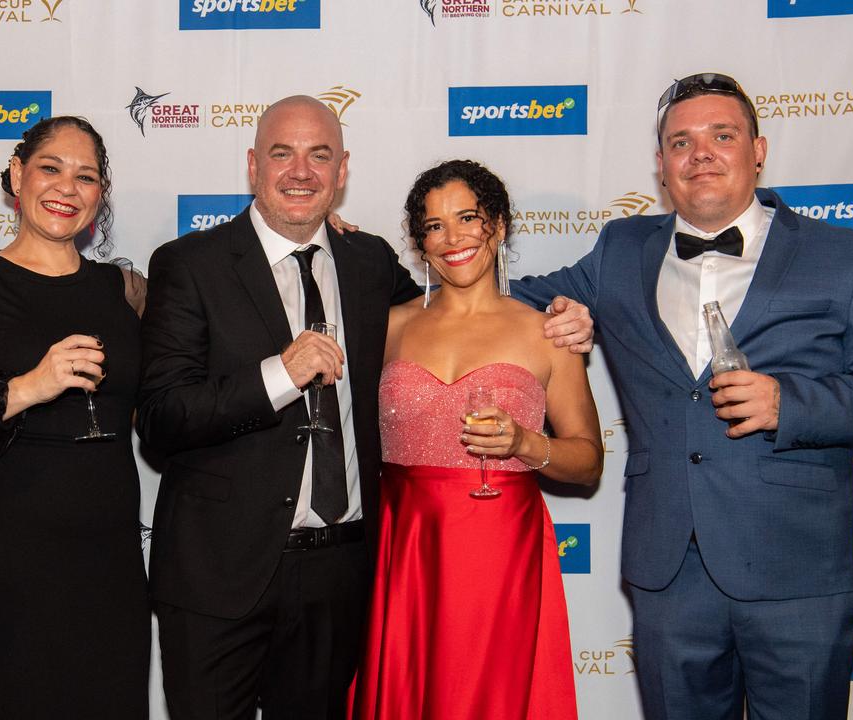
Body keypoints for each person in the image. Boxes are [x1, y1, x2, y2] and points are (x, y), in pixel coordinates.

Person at [136, 96, 593, 719]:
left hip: (347, 572)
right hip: (222, 573)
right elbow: (160, 420)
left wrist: (567, 315)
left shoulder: (367, 262)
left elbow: (467, 301)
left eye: (319, 155)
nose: (301, 171)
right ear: (252, 165)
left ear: (342, 171)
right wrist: (279, 374)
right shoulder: (190, 265)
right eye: (282, 153)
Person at [511, 72, 853, 719]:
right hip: (670, 574)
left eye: (722, 135)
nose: (702, 154)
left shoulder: (845, 256)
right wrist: (367, 269)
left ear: (758, 148)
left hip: (797, 574)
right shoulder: (620, 250)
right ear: (661, 165)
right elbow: (496, 306)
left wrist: (789, 404)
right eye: (681, 143)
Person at [0, 115, 149, 718]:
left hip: (110, 568)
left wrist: (317, 235)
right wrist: (28, 387)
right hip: (7, 570)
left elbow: (214, 309)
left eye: (86, 177)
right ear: (17, 175)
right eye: (51, 168)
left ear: (100, 195)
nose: (67, 187)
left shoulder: (128, 291)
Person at [350, 159, 602, 719]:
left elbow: (588, 461)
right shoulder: (386, 326)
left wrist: (526, 445)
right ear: (419, 244)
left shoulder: (547, 330)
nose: (453, 238)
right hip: (403, 547)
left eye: (468, 218)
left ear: (500, 224)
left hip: (500, 554)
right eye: (435, 226)